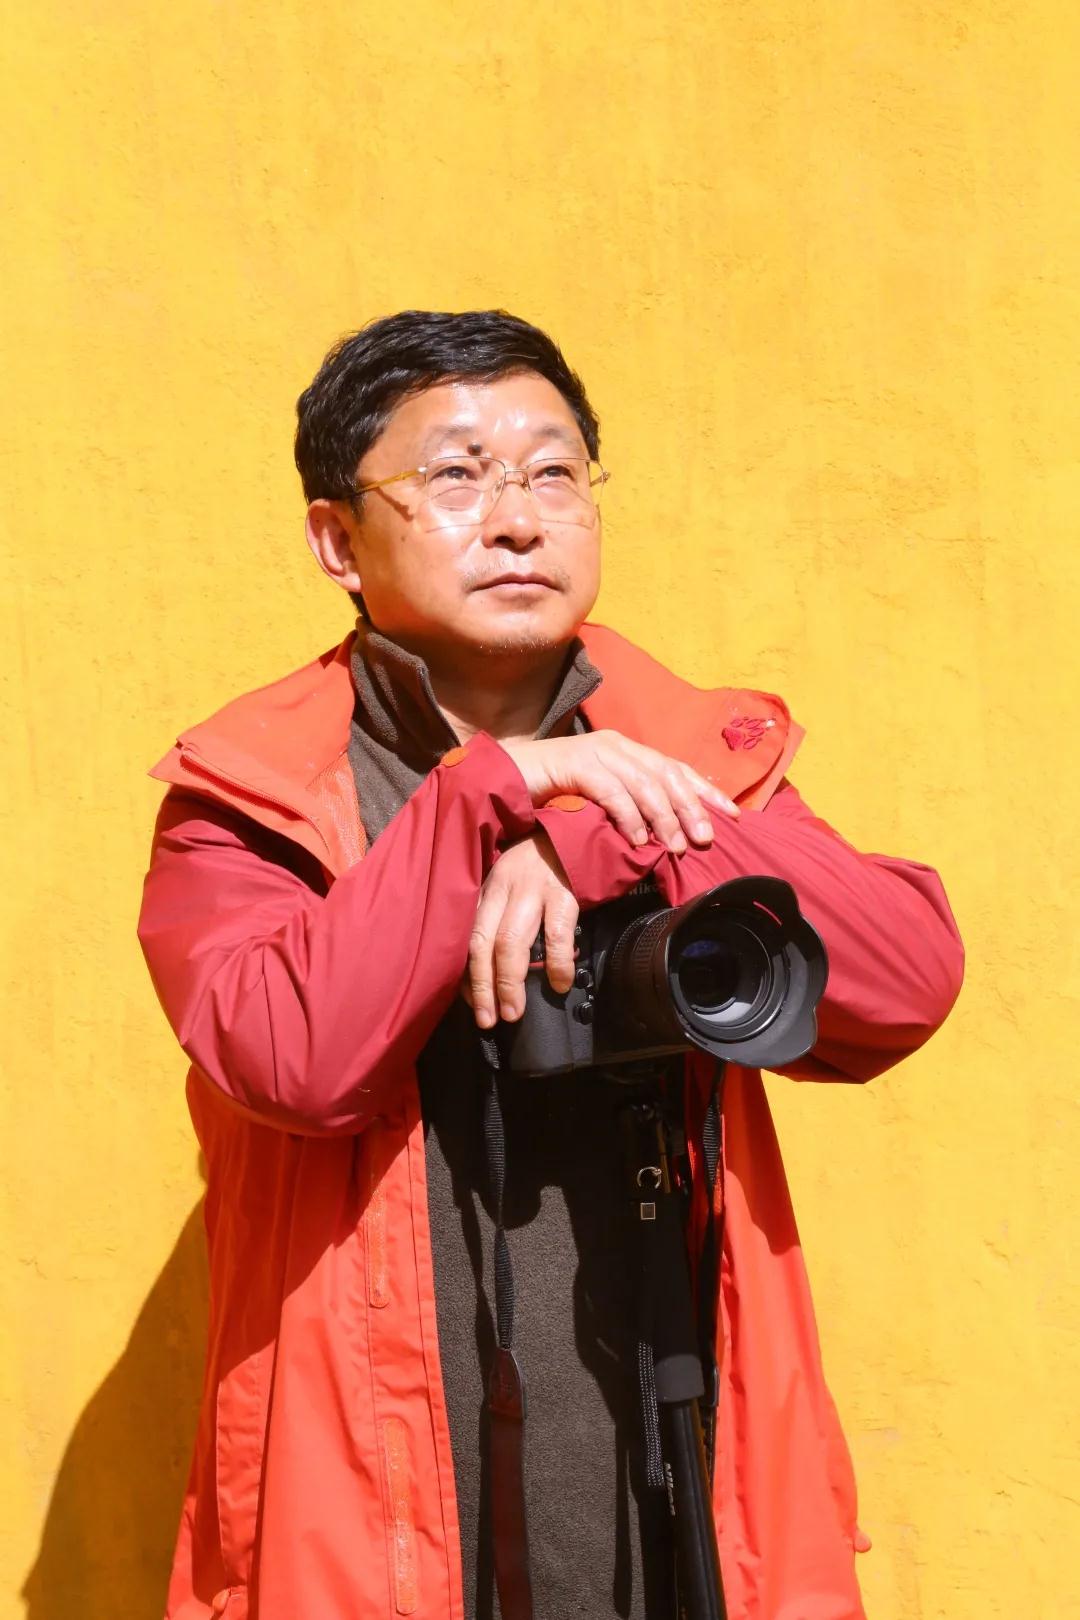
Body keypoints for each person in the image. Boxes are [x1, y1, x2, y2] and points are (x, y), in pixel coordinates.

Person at [138, 310, 964, 1620]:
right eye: (457, 475)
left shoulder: (691, 748)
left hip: (679, 1487)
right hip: (381, 1526)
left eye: (554, 472)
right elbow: (289, 1055)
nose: (519, 519)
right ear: (337, 541)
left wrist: (591, 828)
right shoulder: (253, 794)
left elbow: (901, 980)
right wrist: (488, 799)